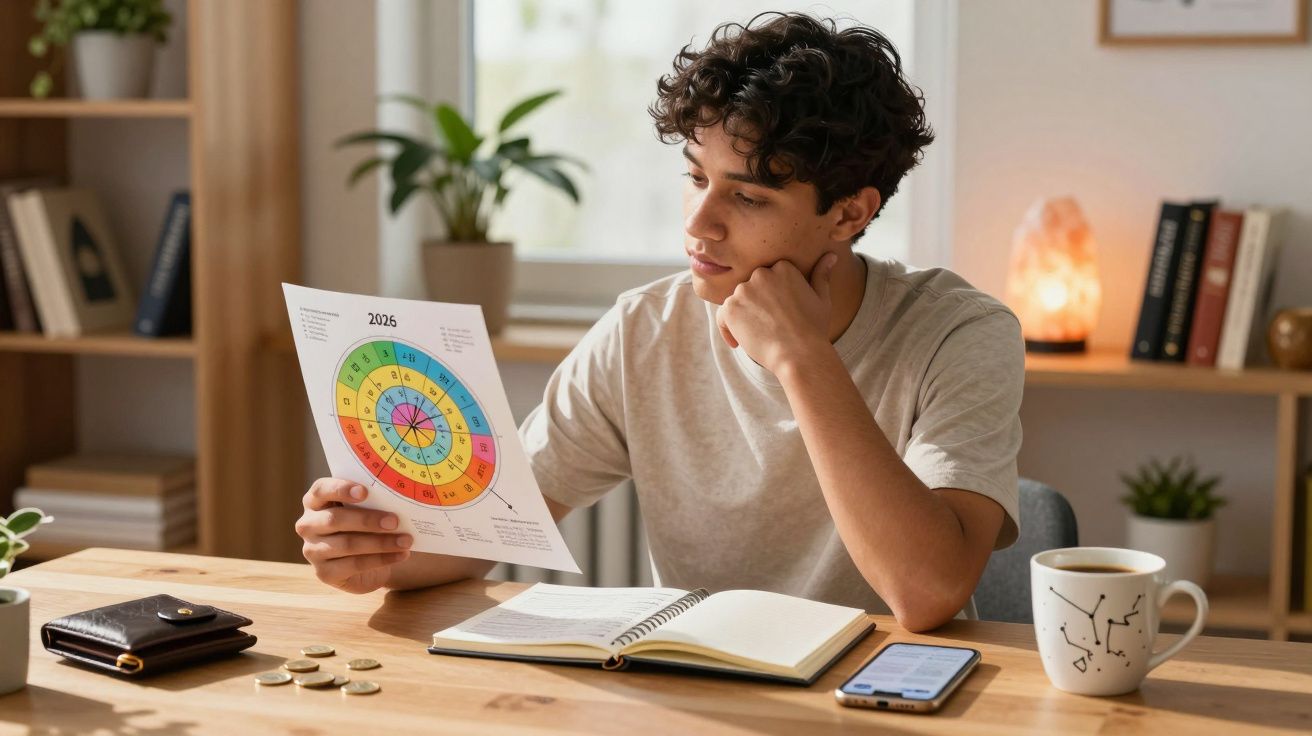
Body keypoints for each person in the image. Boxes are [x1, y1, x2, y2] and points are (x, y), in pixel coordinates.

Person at [295, 12, 1023, 633]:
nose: (700, 226)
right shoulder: (644, 329)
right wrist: (372, 551)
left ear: (850, 213)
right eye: (696, 177)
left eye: (748, 198)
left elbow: (926, 593)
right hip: (698, 697)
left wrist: (802, 358)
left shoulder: (960, 334)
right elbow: (480, 532)